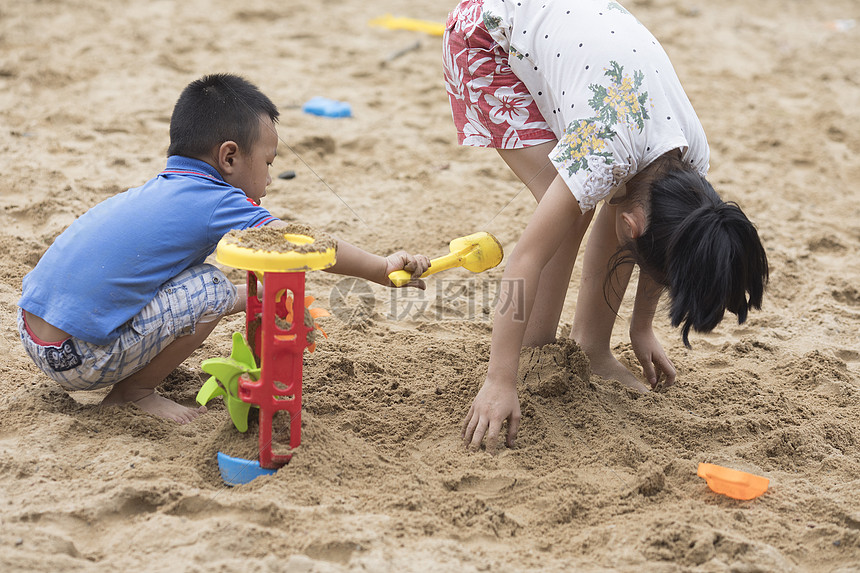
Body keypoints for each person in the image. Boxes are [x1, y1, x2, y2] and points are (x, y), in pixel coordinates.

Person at [444, 0, 769, 451]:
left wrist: (641, 327)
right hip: (485, 39)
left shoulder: (689, 162)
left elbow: (671, 239)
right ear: (631, 225)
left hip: (573, 43)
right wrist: (499, 379)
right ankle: (533, 360)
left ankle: (591, 347)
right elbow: (524, 260)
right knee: (568, 216)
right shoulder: (606, 151)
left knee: (589, 199)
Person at [17, 73, 430, 424]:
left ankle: (138, 374)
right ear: (229, 157)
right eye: (268, 164)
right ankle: (135, 392)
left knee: (195, 281)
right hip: (80, 359)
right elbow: (303, 245)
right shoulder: (218, 200)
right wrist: (379, 268)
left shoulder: (162, 190)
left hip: (35, 334)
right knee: (210, 285)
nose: (269, 179)